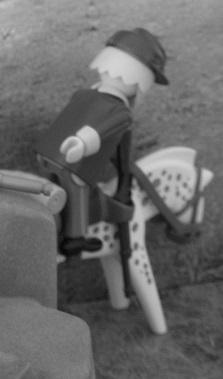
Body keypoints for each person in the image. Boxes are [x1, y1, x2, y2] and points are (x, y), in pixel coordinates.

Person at [35, 28, 168, 258]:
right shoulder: (122, 112)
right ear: (139, 80)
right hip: (72, 162)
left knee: (49, 188)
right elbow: (101, 130)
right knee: (77, 193)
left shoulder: (84, 94)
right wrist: (82, 143)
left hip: (46, 152)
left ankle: (47, 222)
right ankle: (74, 239)